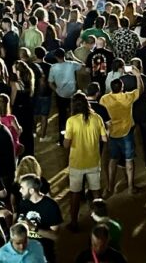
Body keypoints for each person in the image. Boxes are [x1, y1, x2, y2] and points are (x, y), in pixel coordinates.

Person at [64, 92, 107, 231]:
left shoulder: (71, 121)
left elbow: (66, 144)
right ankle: (100, 221)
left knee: (75, 194)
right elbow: (104, 139)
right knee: (96, 193)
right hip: (93, 160)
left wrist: (66, 137)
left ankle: (74, 223)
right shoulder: (97, 118)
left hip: (77, 163)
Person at [100, 65, 144, 195]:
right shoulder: (128, 97)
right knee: (129, 160)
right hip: (126, 133)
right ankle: (131, 187)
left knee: (112, 159)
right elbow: (140, 90)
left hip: (112, 133)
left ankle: (110, 187)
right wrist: (137, 75)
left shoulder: (104, 99)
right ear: (122, 88)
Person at [16, 174, 63, 263]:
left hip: (44, 254)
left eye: (22, 188)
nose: (19, 190)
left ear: (31, 190)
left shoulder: (50, 206)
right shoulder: (23, 203)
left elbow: (55, 236)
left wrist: (34, 228)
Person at [47, 48, 80, 145]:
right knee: (74, 116)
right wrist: (73, 57)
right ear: (64, 55)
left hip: (61, 95)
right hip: (72, 95)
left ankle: (63, 140)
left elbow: (50, 83)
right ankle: (75, 138)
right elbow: (83, 65)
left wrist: (56, 90)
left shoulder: (53, 67)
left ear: (56, 57)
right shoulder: (71, 64)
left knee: (62, 117)